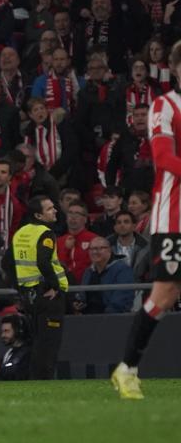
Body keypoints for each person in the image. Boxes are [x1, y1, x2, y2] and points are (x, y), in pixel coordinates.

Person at [112, 41, 181, 399]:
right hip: (174, 214)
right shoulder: (164, 105)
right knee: (166, 293)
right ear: (175, 69)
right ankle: (127, 368)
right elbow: (164, 158)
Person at [3, 195, 68, 380]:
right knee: (49, 342)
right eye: (49, 209)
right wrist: (55, 286)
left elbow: (7, 263)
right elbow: (43, 261)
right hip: (47, 295)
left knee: (36, 339)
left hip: (29, 296)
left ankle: (34, 378)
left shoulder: (20, 233)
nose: (55, 210)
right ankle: (43, 380)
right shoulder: (45, 233)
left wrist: (20, 288)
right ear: (39, 216)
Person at [78, 236, 134, 314]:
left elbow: (121, 301)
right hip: (86, 317)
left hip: (112, 317)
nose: (95, 252)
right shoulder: (88, 271)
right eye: (92, 249)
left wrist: (105, 317)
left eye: (100, 248)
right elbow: (82, 297)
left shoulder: (123, 270)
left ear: (109, 250)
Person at [58, 201, 99, 284]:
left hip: (88, 286)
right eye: (70, 213)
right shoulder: (59, 241)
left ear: (85, 219)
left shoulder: (94, 240)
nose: (73, 217)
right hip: (64, 286)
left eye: (77, 214)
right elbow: (58, 265)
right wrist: (66, 249)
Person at [0, 315, 31, 381]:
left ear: (18, 331)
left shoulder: (28, 353)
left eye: (6, 331)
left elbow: (21, 374)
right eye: (2, 331)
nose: (3, 335)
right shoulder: (9, 352)